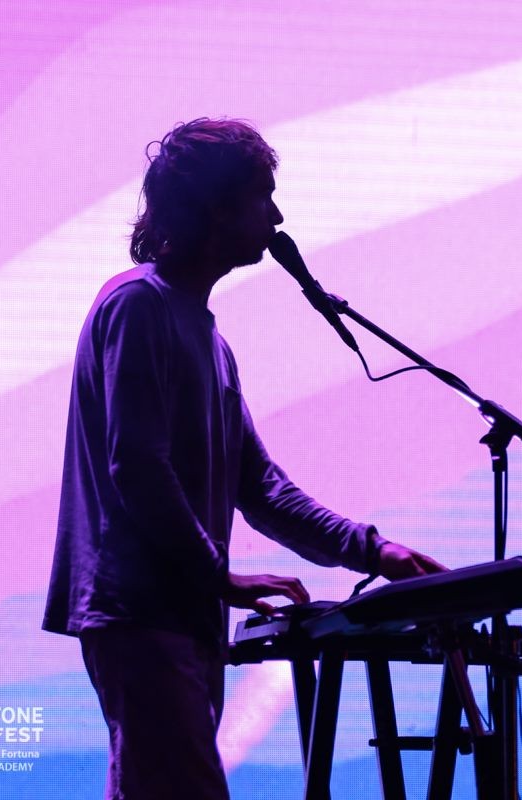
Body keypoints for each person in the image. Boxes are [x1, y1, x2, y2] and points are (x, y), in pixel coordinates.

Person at [42, 117, 445, 800]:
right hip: (139, 610)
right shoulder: (137, 306)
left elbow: (260, 488)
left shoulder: (209, 339)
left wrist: (376, 551)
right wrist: (217, 574)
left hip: (182, 613)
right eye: (263, 196)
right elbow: (136, 465)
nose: (277, 217)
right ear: (214, 207)